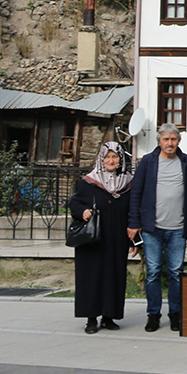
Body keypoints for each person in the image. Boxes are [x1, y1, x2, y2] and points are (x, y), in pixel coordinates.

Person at [128, 124, 187, 333]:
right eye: (166, 139)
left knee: (176, 273)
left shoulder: (186, 163)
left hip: (178, 229)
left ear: (178, 141)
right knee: (153, 273)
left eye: (174, 139)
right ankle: (153, 315)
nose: (170, 143)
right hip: (152, 228)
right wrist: (134, 223)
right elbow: (136, 195)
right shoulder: (148, 163)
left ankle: (175, 314)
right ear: (159, 141)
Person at [70, 142, 132, 333]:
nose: (111, 161)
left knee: (114, 276)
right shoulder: (88, 181)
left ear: (121, 159)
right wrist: (83, 212)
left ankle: (108, 316)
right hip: (93, 239)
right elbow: (74, 202)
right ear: (101, 159)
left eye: (115, 157)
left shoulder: (129, 183)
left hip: (117, 238)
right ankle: (91, 318)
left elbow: (134, 211)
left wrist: (134, 240)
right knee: (92, 276)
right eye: (107, 157)